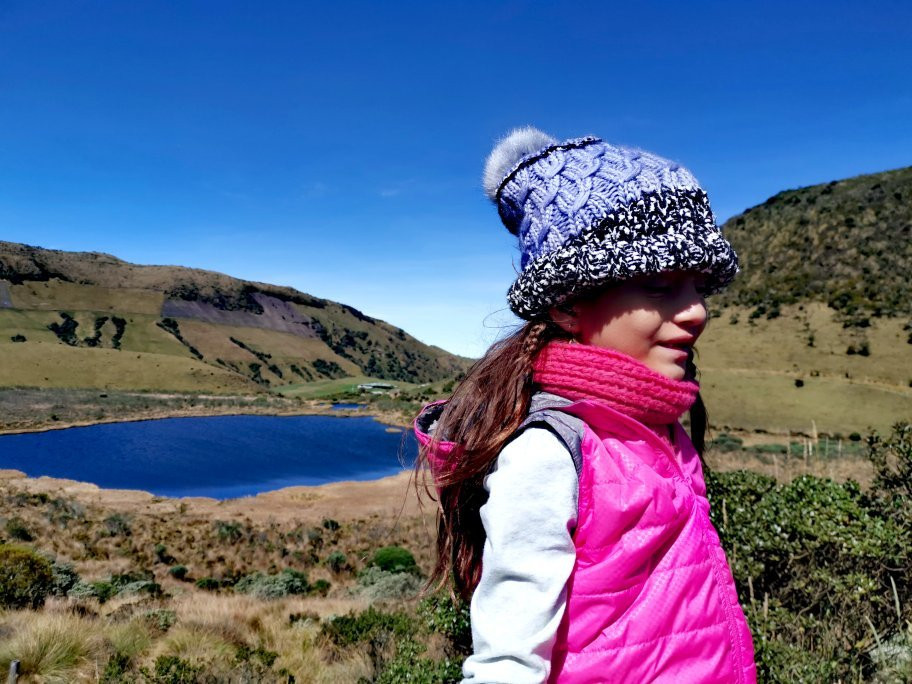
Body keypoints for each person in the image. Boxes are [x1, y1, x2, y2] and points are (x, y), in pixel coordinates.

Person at [414, 127, 757, 683]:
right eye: (660, 283)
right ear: (568, 306)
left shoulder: (659, 428)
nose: (697, 311)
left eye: (698, 286)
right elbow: (507, 664)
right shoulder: (549, 454)